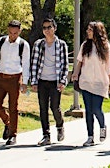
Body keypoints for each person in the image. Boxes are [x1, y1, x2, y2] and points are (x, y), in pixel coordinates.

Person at [72, 21, 110, 147]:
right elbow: (80, 62)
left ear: (97, 31)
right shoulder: (85, 45)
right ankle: (90, 136)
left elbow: (109, 67)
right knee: (88, 110)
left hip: (100, 83)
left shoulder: (105, 46)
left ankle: (102, 126)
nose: (88, 32)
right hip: (86, 82)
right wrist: (75, 74)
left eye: (90, 30)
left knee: (97, 109)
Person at [0, 20, 31, 146]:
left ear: (20, 31)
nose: (13, 35)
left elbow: (25, 64)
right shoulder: (1, 41)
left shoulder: (23, 45)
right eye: (11, 32)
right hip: (1, 77)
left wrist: (24, 82)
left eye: (15, 33)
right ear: (8, 30)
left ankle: (13, 135)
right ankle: (8, 122)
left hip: (14, 78)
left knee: (13, 107)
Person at [30, 18, 69, 146]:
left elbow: (65, 65)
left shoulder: (61, 45)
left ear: (54, 28)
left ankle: (59, 125)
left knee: (55, 107)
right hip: (42, 80)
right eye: (44, 28)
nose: (46, 30)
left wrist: (63, 81)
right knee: (43, 108)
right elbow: (34, 63)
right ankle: (46, 135)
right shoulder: (38, 44)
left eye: (49, 27)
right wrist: (34, 82)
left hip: (55, 81)